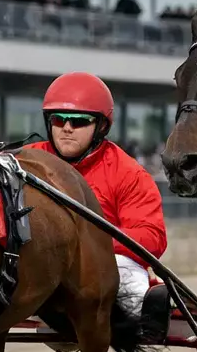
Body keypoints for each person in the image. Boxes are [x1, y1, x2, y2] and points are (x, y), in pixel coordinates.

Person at [24, 72, 166, 316]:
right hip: (39, 267)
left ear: (100, 126)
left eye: (78, 121)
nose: (66, 128)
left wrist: (85, 244)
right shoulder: (24, 161)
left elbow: (152, 238)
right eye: (58, 120)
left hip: (104, 268)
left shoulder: (128, 173)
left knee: (131, 285)